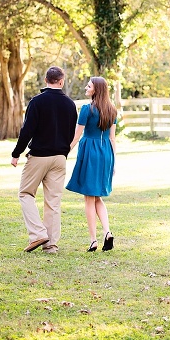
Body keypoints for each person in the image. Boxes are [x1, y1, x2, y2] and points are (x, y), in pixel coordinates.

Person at [11, 66, 78, 255]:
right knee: (53, 202)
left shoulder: (37, 102)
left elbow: (27, 131)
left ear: (46, 80)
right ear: (61, 81)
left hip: (39, 156)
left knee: (25, 193)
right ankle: (51, 246)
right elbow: (71, 132)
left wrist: (16, 153)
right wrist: (64, 152)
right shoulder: (70, 104)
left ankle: (38, 234)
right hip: (59, 158)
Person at [66, 76, 117, 252]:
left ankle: (93, 240)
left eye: (89, 86)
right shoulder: (112, 110)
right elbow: (112, 139)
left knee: (89, 198)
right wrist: (113, 163)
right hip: (106, 155)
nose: (86, 88)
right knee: (97, 197)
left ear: (96, 90)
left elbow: (77, 135)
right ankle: (107, 232)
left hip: (90, 153)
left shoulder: (87, 109)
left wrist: (65, 152)